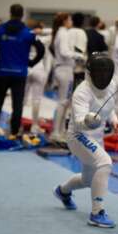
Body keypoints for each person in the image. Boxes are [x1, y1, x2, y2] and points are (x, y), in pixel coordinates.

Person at [53, 53, 118, 228]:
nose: (103, 76)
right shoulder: (82, 92)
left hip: (97, 138)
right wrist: (90, 122)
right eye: (100, 71)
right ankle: (97, 213)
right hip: (78, 136)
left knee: (88, 180)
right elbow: (80, 122)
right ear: (90, 72)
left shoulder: (112, 85)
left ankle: (63, 191)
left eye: (106, 71)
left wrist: (114, 120)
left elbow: (109, 106)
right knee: (105, 163)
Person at [0, 4, 44, 139]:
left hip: (2, 72)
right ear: (22, 14)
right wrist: (31, 63)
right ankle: (14, 132)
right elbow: (41, 49)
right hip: (19, 73)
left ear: (10, 13)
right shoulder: (28, 33)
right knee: (17, 104)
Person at [49, 12, 80, 142]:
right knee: (63, 102)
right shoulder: (63, 33)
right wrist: (78, 56)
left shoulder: (60, 33)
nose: (71, 21)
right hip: (64, 70)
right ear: (65, 21)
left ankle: (60, 131)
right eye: (70, 19)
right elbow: (64, 51)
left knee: (65, 102)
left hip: (64, 69)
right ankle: (56, 132)